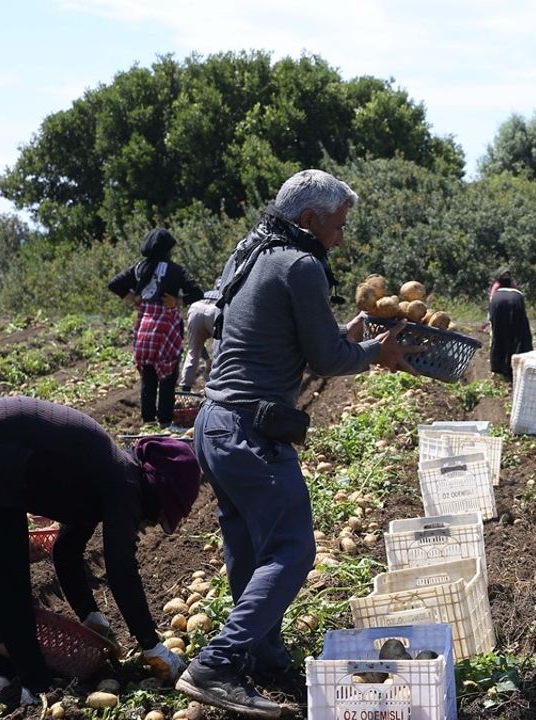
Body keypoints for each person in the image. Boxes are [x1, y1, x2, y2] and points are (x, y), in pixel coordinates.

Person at [178, 170, 420, 719]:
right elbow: (327, 360)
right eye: (337, 225)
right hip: (251, 435)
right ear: (310, 220)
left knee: (250, 551)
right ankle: (218, 663)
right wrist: (376, 355)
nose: (340, 236)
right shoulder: (303, 264)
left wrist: (355, 330)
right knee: (292, 551)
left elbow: (305, 340)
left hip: (216, 425)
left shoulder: (258, 253)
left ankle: (262, 657)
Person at [0, 397, 197, 706]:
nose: (149, 525)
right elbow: (121, 568)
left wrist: (91, 617)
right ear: (157, 492)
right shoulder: (125, 480)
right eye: (158, 517)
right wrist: (152, 645)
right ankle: (35, 690)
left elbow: (66, 551)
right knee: (8, 583)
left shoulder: (101, 471)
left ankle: (8, 677)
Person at [109, 228, 206, 430]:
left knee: (149, 374)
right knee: (168, 376)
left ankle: (148, 421)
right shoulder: (175, 270)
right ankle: (165, 421)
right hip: (165, 328)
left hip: (144, 327)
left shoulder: (139, 269)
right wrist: (178, 300)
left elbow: (114, 284)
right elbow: (197, 293)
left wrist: (134, 298)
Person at [487, 269, 533, 381]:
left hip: (497, 301)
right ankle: (517, 365)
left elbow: (491, 305)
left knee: (499, 335)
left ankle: (498, 368)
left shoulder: (495, 289)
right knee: (519, 335)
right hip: (516, 300)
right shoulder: (516, 290)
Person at [179, 289, 222, 392]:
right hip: (215, 309)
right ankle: (216, 387)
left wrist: (207, 359)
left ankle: (185, 389)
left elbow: (199, 343)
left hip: (196, 308)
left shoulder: (207, 292)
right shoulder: (225, 293)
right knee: (220, 350)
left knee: (193, 350)